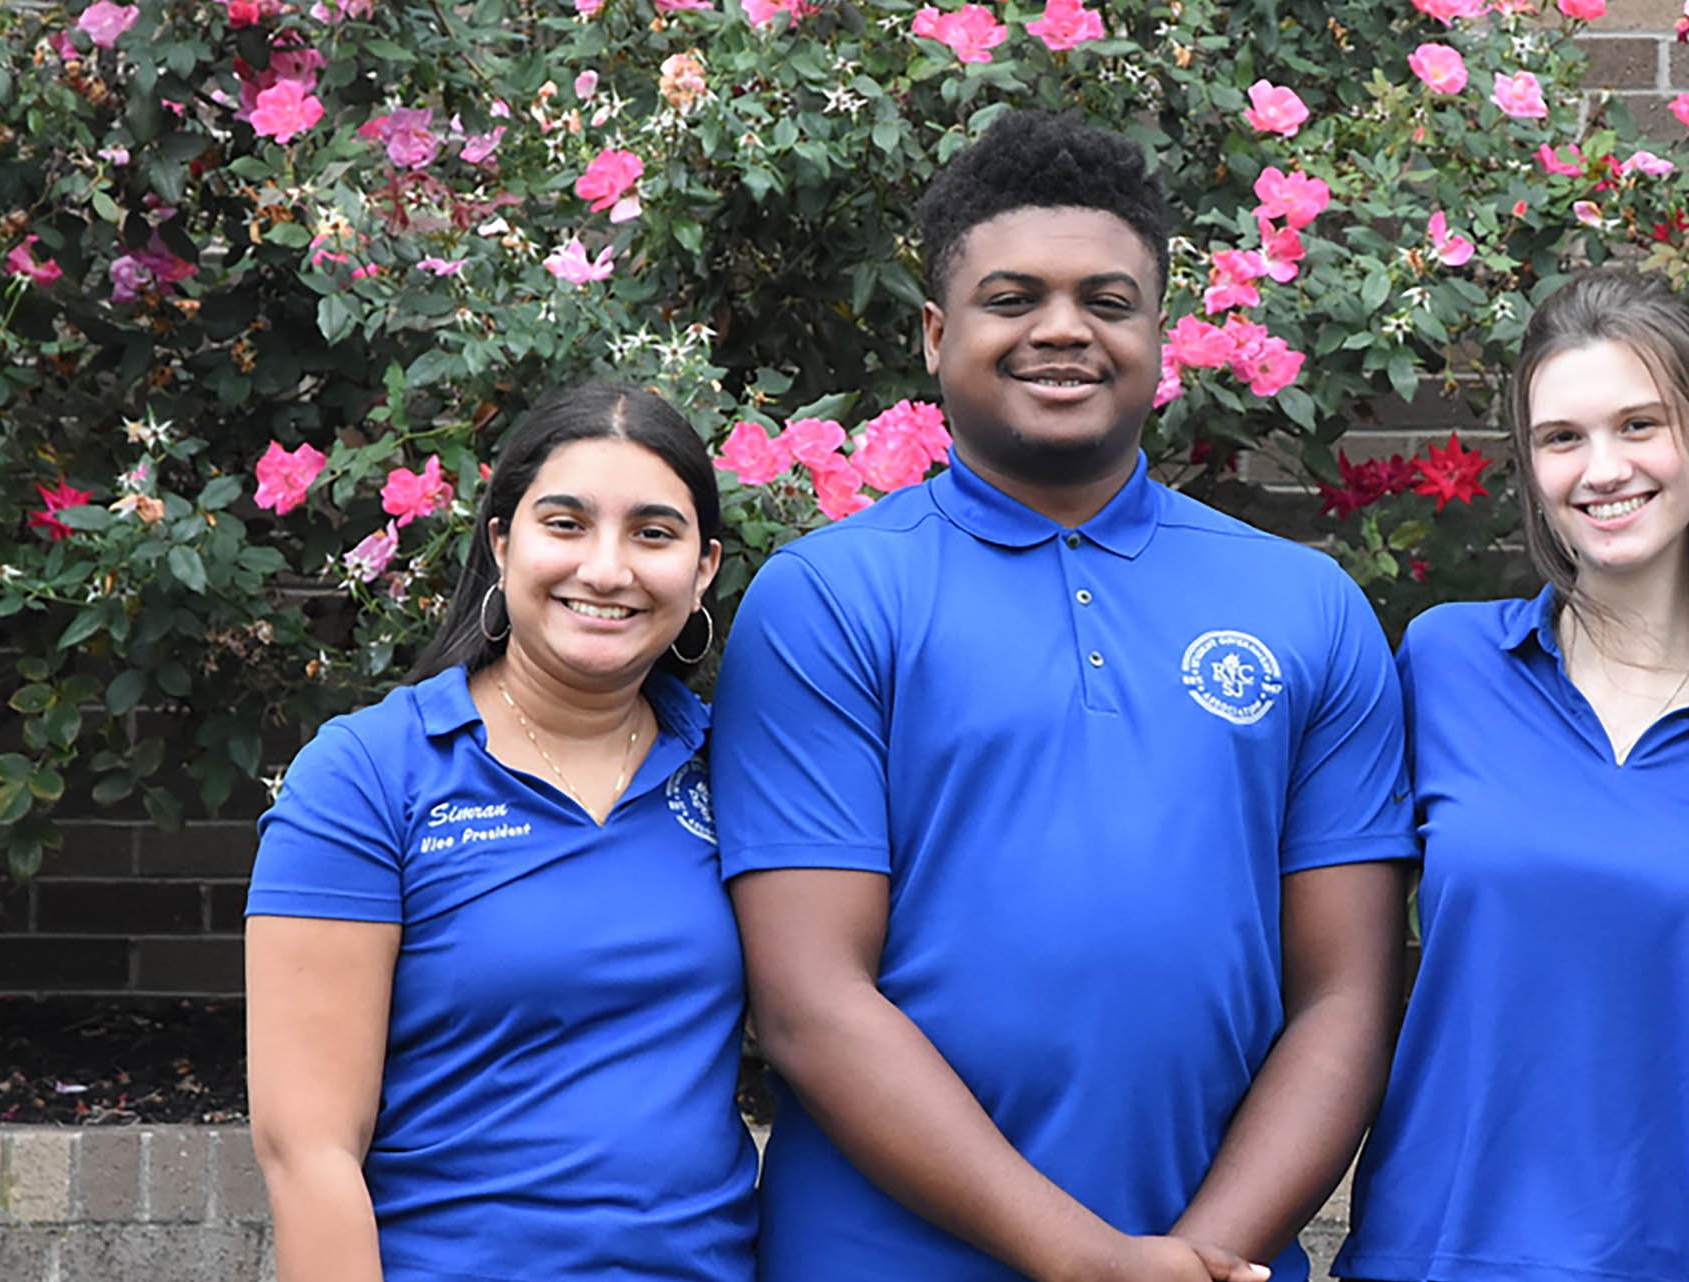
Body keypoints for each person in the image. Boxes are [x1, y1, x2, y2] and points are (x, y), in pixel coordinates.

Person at [710, 110, 1412, 1282]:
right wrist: (1087, 1263)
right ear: (937, 334)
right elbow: (809, 1003)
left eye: (1108, 299)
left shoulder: (1306, 603)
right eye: (1012, 297)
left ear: (1160, 337)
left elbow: (1346, 993)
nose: (1062, 330)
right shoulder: (828, 599)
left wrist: (1196, 1260)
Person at [1334, 268, 1689, 1282]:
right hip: (1439, 1249)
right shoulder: (1444, 663)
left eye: (1640, 424)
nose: (1603, 469)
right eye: (1563, 438)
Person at [244, 383, 755, 1282]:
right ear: (501, 542)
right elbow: (308, 1150)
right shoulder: (370, 774)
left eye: (653, 533)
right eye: (565, 524)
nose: (607, 569)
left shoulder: (742, 772)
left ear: (703, 568)